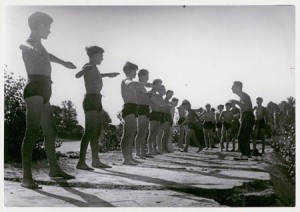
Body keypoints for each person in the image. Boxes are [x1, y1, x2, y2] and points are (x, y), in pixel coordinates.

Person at [20, 12, 76, 189]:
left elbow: (47, 55)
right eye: (49, 27)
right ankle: (26, 178)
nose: (50, 31)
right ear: (41, 27)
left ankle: (54, 169)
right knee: (32, 131)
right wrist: (32, 49)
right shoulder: (27, 44)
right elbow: (23, 46)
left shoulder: (41, 47)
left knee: (51, 131)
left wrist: (64, 62)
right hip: (34, 87)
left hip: (45, 89)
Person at [75, 46, 119, 170]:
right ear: (94, 56)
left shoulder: (95, 68)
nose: (102, 58)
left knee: (97, 131)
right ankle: (81, 162)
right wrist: (83, 71)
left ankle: (95, 160)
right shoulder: (88, 66)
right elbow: (77, 75)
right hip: (90, 99)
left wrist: (108, 74)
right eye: (101, 56)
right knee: (89, 131)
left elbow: (96, 75)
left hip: (97, 100)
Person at [120, 61, 141, 165]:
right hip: (128, 108)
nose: (136, 74)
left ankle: (130, 157)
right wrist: (140, 83)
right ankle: (125, 159)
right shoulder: (126, 80)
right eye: (135, 71)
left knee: (132, 133)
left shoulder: (132, 82)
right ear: (129, 71)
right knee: (127, 134)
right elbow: (128, 82)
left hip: (133, 108)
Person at [230, 81, 255, 160]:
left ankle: (245, 155)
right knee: (245, 136)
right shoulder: (242, 96)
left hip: (247, 116)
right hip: (246, 116)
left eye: (233, 87)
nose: (232, 88)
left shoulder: (243, 96)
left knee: (241, 136)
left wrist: (237, 102)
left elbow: (248, 108)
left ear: (238, 87)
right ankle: (246, 154)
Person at [134, 69, 151, 159]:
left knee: (144, 132)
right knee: (140, 131)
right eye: (147, 76)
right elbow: (139, 97)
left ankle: (143, 152)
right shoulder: (137, 85)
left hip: (146, 109)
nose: (148, 78)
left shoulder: (143, 87)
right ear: (142, 76)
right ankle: (137, 153)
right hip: (140, 108)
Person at [147, 79, 163, 156]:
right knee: (151, 132)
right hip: (153, 113)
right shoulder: (151, 93)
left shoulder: (157, 94)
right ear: (155, 84)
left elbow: (161, 104)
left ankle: (154, 148)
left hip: (158, 113)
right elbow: (157, 103)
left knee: (155, 132)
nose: (160, 86)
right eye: (159, 85)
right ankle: (150, 149)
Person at [155, 85, 167, 154]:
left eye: (164, 89)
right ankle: (158, 148)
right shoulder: (157, 96)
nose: (164, 91)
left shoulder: (162, 97)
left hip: (162, 115)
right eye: (162, 89)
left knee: (161, 132)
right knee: (158, 133)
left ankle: (159, 148)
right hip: (158, 114)